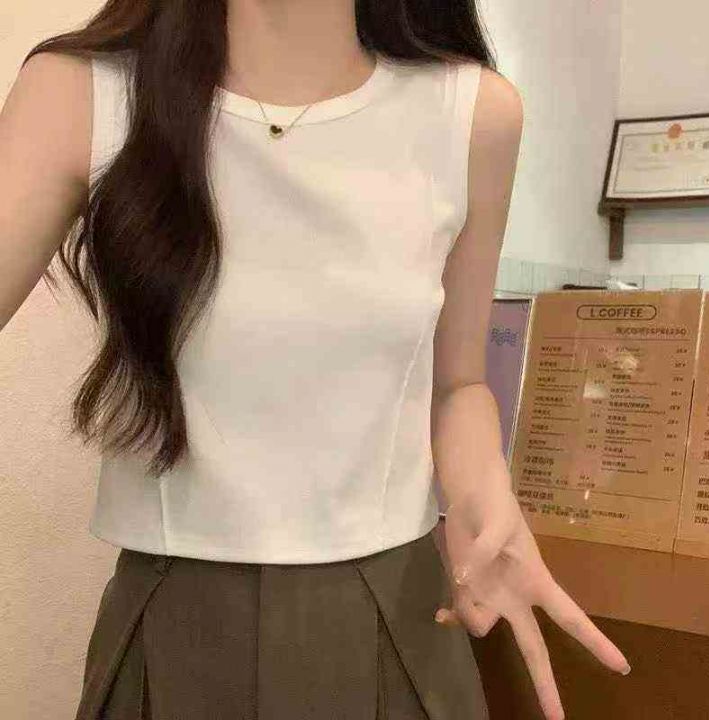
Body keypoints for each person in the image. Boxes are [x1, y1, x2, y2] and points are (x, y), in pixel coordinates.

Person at [0, 1, 631, 718]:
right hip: (171, 625)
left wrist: (484, 488)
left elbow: (458, 382)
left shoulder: (474, 115)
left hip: (392, 616)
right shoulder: (83, 92)